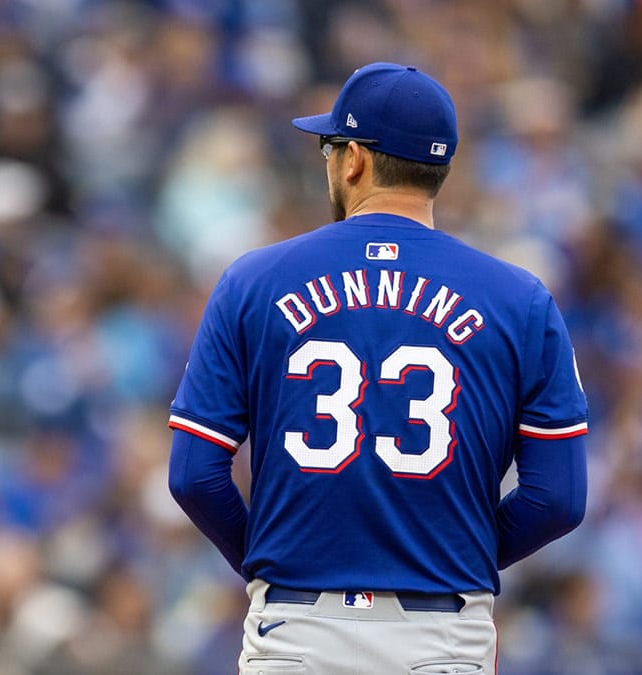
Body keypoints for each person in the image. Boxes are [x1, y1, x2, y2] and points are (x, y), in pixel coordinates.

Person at [167, 62, 588, 674]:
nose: (328, 162)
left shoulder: (252, 281)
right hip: (443, 635)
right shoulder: (519, 298)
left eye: (329, 147)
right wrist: (451, 552)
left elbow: (194, 476)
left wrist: (270, 555)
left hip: (297, 629)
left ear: (356, 159)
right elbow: (559, 499)